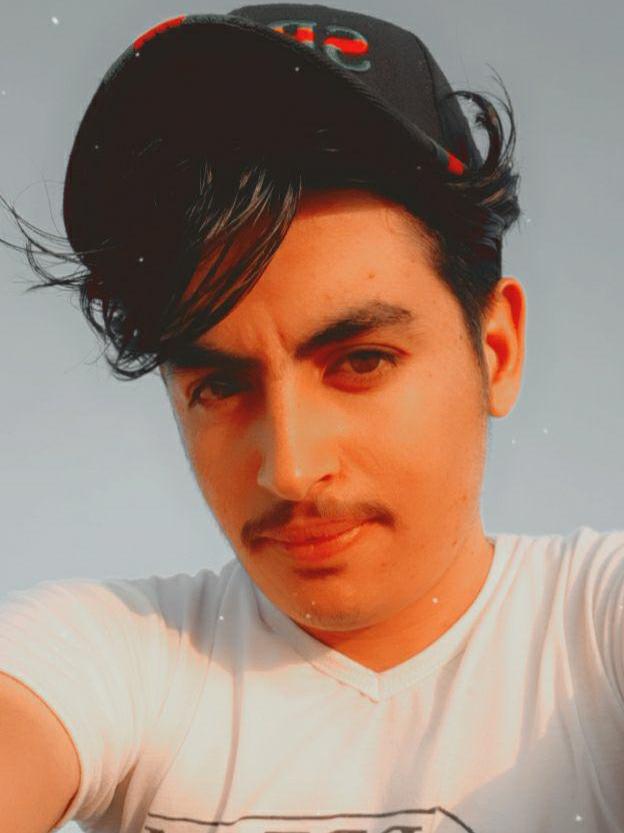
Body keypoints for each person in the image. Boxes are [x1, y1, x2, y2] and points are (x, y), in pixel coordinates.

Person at [0, 4, 622, 833]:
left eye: (361, 361)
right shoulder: (113, 657)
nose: (289, 468)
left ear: (497, 351)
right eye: (222, 386)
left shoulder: (594, 633)